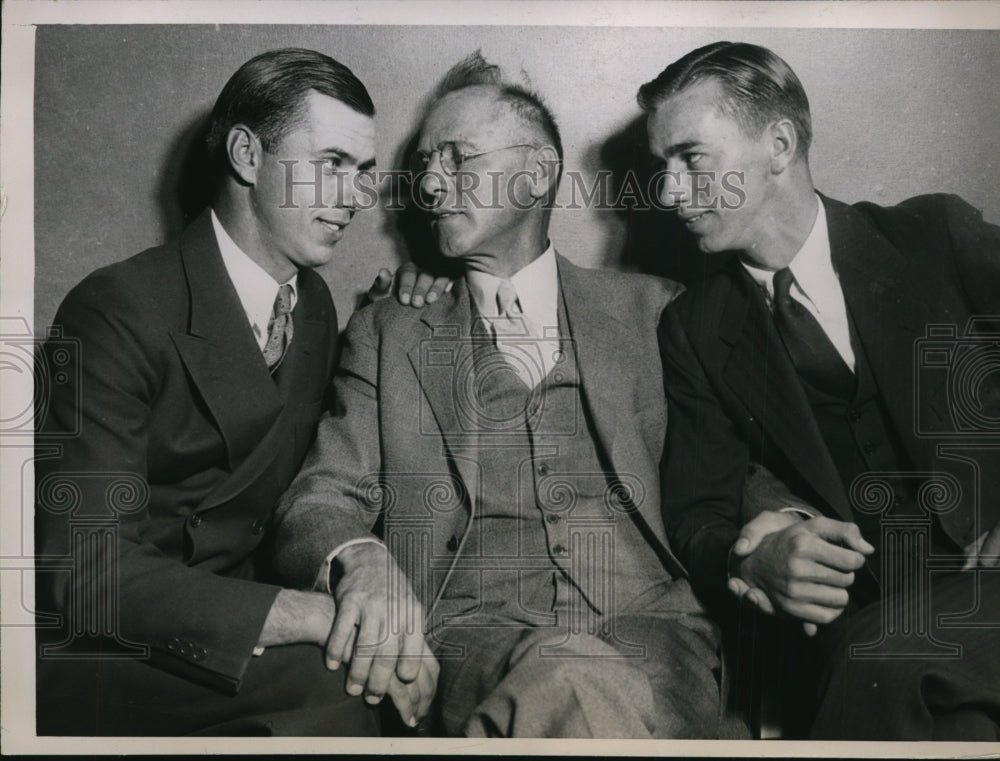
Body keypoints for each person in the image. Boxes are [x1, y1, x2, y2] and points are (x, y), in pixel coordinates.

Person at [272, 53, 730, 739]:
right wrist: (359, 557)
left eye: (457, 158)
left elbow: (742, 468)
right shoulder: (387, 330)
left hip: (654, 631)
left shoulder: (656, 311)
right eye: (425, 164)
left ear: (538, 171)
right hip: (472, 638)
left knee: (587, 689)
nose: (430, 184)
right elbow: (321, 494)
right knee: (572, 682)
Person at [34, 47, 440, 736]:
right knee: (347, 684)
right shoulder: (114, 309)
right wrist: (304, 613)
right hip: (107, 645)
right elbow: (89, 574)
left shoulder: (312, 306)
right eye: (332, 165)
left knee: (376, 674)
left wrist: (418, 297)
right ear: (248, 156)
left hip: (230, 624)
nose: (354, 198)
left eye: (362, 173)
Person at [645, 41, 1000, 739]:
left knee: (883, 669)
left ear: (778, 144)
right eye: (663, 167)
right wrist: (756, 559)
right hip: (868, 624)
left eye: (690, 159)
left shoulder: (934, 236)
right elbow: (698, 514)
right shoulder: (693, 329)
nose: (667, 191)